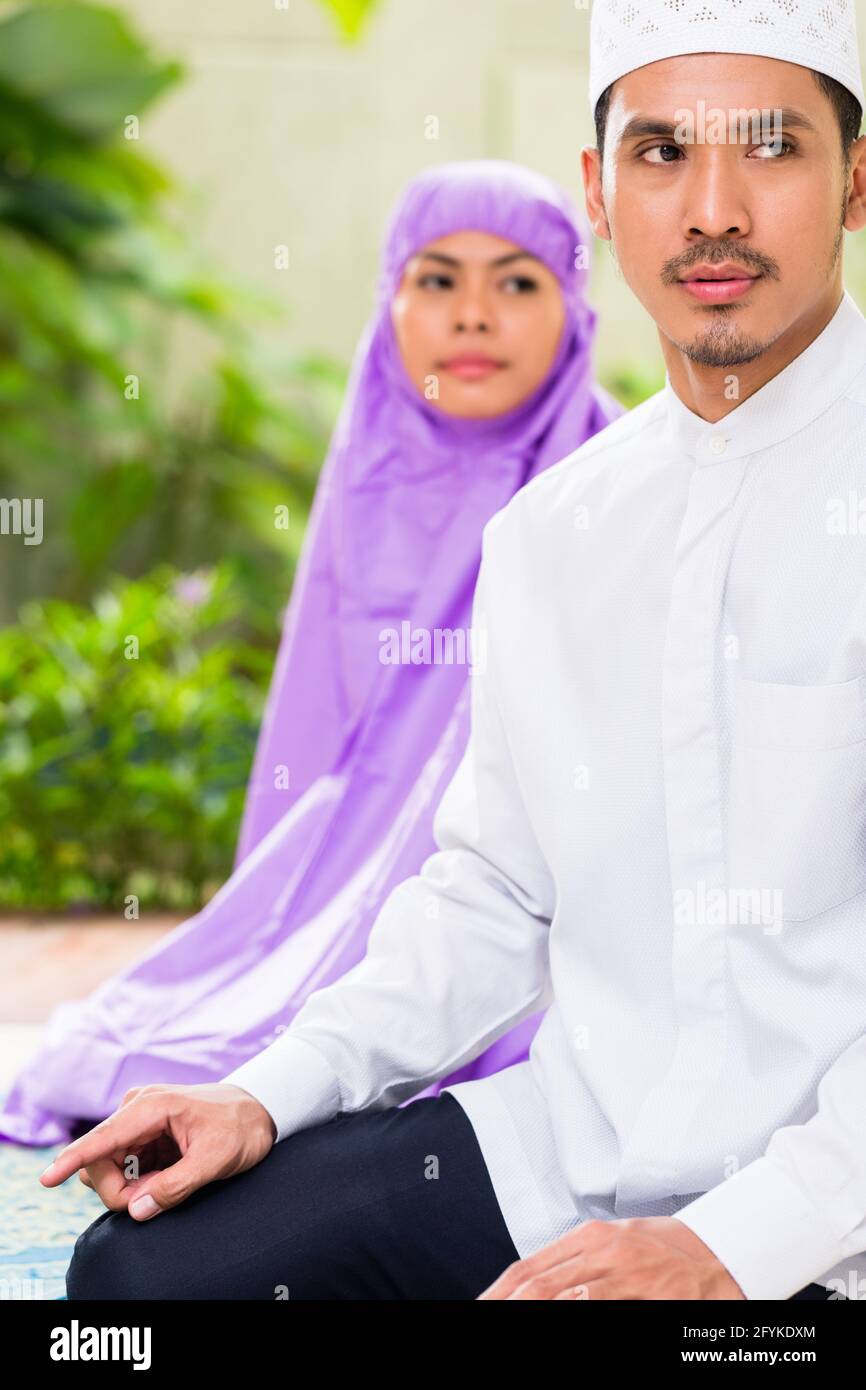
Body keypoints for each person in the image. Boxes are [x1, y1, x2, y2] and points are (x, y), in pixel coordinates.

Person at [52, 0, 866, 1301]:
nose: (710, 207)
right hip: (567, 1159)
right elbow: (491, 893)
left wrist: (725, 1246)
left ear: (853, 183)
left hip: (829, 1226)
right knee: (138, 1280)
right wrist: (265, 1091)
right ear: (599, 193)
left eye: (768, 149)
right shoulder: (554, 531)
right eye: (660, 153)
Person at [0, 160, 619, 1148]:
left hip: (545, 904)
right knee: (181, 1042)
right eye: (436, 279)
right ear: (390, 301)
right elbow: (318, 727)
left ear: (574, 306)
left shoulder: (616, 487)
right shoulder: (368, 468)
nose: (471, 316)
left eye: (515, 281)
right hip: (340, 874)